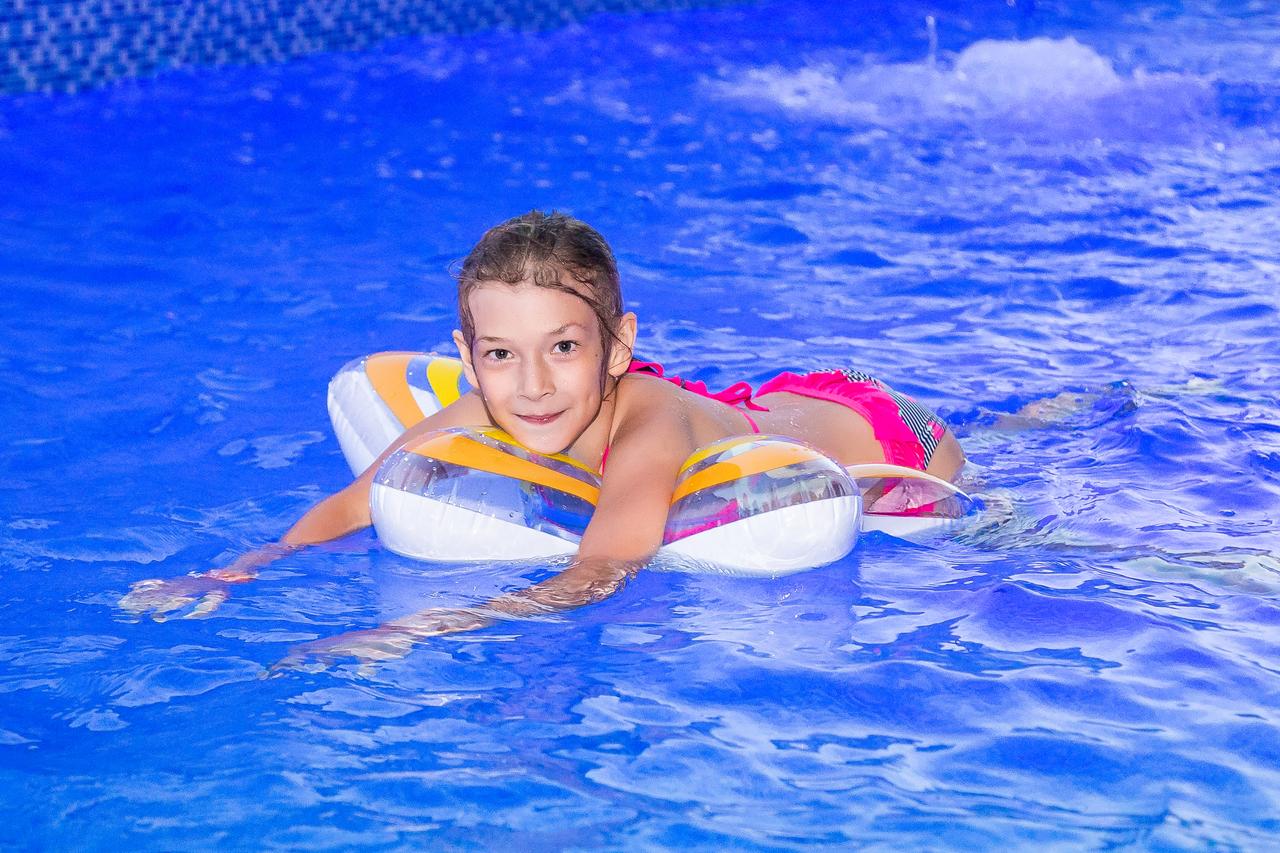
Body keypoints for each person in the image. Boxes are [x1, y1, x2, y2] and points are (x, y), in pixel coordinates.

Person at [120, 211, 965, 669]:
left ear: (618, 346)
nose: (530, 385)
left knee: (990, 503)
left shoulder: (649, 421)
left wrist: (419, 628)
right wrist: (230, 572)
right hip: (752, 401)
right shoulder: (486, 408)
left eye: (562, 347)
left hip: (878, 424)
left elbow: (603, 567)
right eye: (501, 354)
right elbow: (352, 503)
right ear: (468, 357)